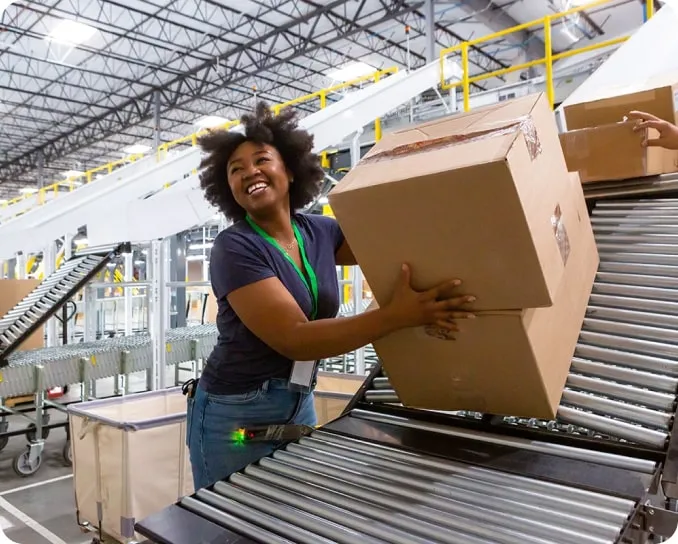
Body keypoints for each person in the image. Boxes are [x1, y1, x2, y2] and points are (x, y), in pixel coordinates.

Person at [184, 101, 476, 490]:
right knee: (232, 523)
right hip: (236, 414)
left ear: (288, 169)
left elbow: (395, 247)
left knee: (288, 515)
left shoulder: (320, 231)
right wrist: (396, 316)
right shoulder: (234, 248)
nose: (249, 172)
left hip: (298, 396)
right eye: (236, 170)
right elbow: (294, 337)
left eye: (261, 160)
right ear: (229, 190)